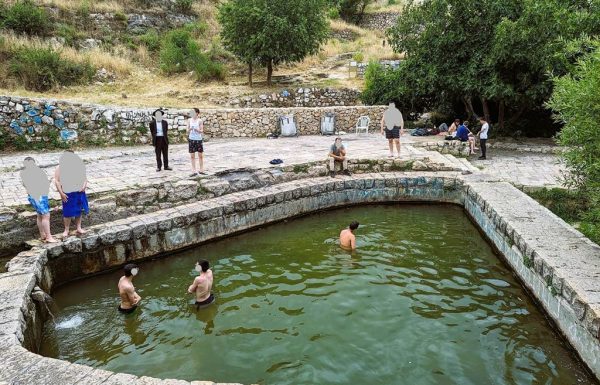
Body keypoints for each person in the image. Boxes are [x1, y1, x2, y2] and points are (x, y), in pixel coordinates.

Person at [20, 157, 57, 243]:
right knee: (46, 216)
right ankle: (48, 237)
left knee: (39, 215)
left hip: (32, 196)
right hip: (39, 197)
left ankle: (42, 234)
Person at [55, 150, 88, 238]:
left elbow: (84, 178)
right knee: (67, 212)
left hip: (79, 191)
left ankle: (79, 227)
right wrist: (61, 193)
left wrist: (84, 186)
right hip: (67, 192)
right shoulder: (60, 167)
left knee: (79, 210)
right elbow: (57, 181)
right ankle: (66, 229)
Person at [187, 108, 205, 176]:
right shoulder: (189, 120)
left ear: (197, 113)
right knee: (192, 156)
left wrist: (198, 130)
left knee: (200, 156)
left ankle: (201, 169)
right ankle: (193, 170)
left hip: (198, 139)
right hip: (191, 139)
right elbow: (187, 130)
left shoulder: (200, 121)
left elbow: (202, 130)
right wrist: (190, 129)